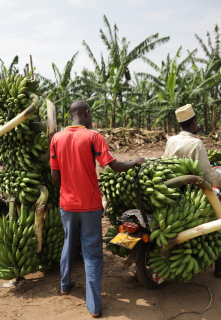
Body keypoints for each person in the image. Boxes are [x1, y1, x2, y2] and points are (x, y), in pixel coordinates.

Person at [50, 100, 145, 318]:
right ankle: (93, 305)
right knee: (92, 253)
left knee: (68, 242)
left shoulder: (56, 138)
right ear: (87, 113)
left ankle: (65, 286)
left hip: (66, 204)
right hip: (90, 205)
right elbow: (113, 166)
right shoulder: (93, 137)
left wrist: (67, 190)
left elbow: (55, 176)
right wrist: (134, 162)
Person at [164, 104, 221, 278]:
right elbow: (208, 176)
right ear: (193, 123)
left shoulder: (171, 140)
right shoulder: (196, 144)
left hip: (172, 192)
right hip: (194, 194)